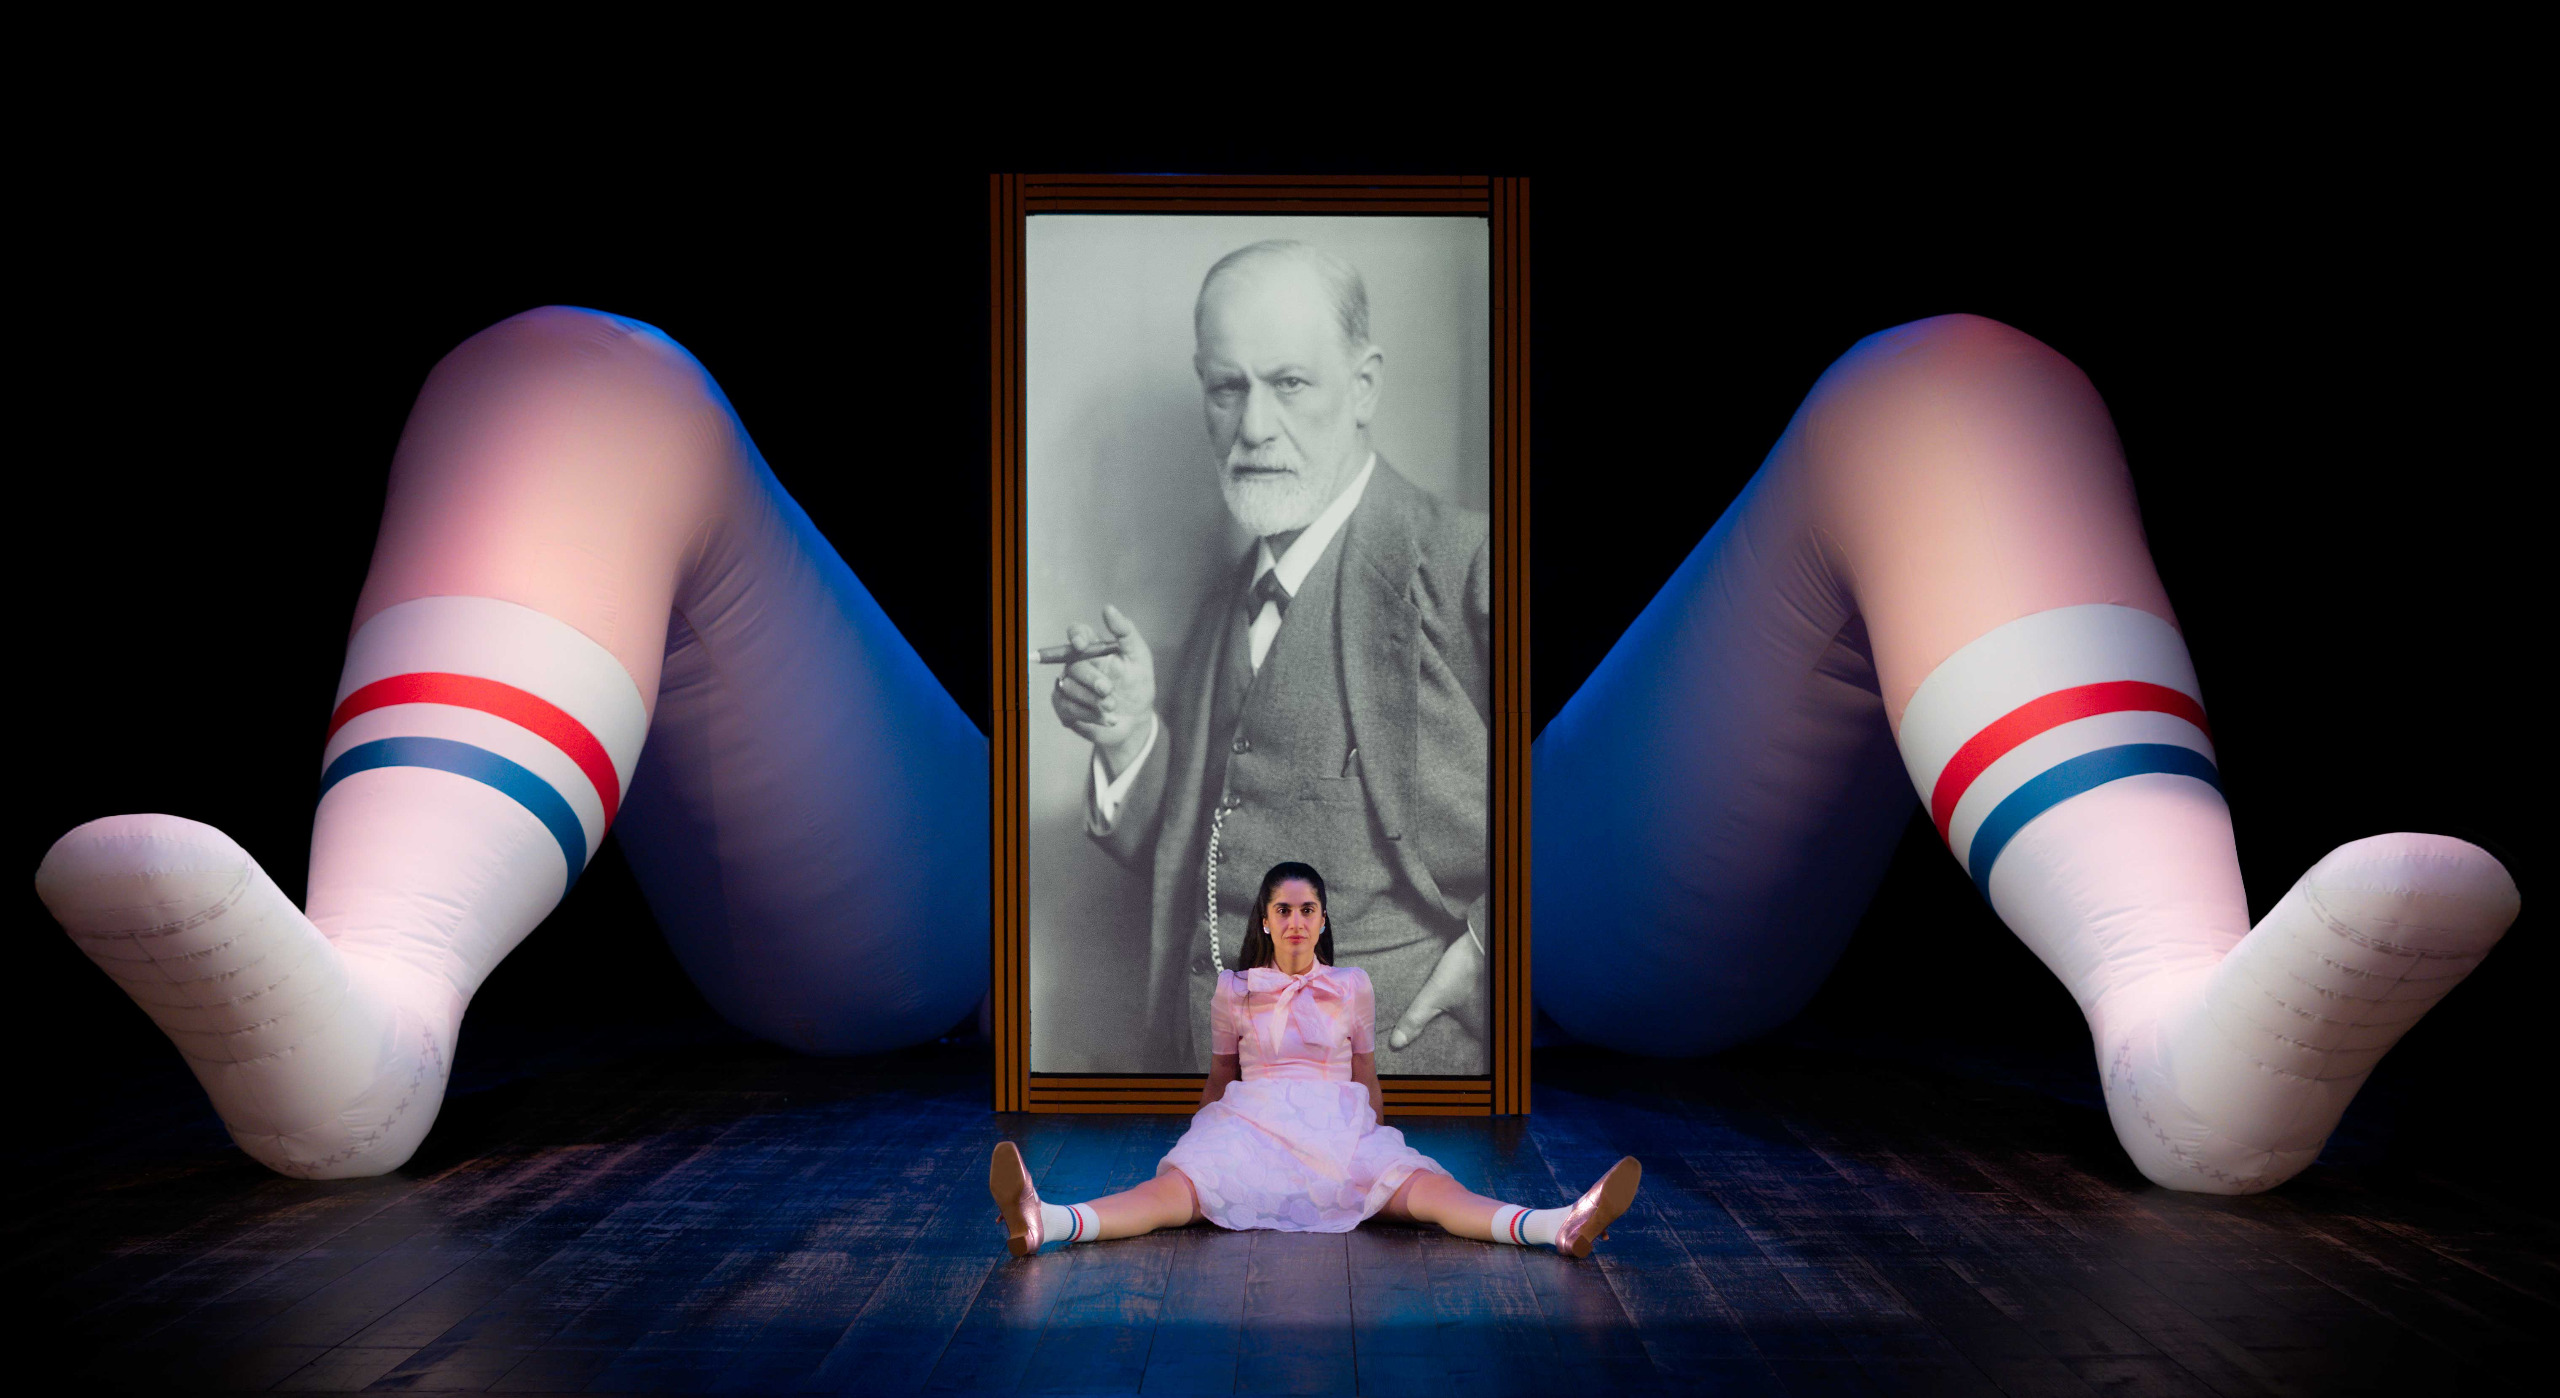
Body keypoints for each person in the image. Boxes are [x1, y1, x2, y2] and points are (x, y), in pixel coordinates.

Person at [30, 303, 2517, 1194]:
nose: (1236, 421)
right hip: (970, 844)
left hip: (1530, 861)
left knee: (1949, 386)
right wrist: (1112, 762)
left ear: (1360, 379)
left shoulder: (1420, 536)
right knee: (566, 373)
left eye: (1279, 388)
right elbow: (1120, 832)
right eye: (1211, 387)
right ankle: (379, 995)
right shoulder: (1170, 546)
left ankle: (2169, 1014)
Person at [1051, 239, 1492, 1075]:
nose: (1253, 428)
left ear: (1363, 386)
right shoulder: (1224, 602)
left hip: (1401, 1098)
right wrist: (1129, 736)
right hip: (1215, 1093)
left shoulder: (1471, 563)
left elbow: (1596, 804)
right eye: (1228, 388)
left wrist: (1491, 948)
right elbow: (1205, 858)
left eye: (1289, 383)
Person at [989, 861, 1639, 1253]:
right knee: (1167, 1196)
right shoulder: (1234, 988)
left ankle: (1557, 1224)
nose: (1296, 921)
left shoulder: (1352, 985)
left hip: (1337, 1126)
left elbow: (1365, 1073)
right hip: (1251, 1122)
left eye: (1307, 910)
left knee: (1432, 1192)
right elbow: (1220, 1077)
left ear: (1323, 920)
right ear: (1265, 921)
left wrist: (1376, 1140)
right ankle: (1048, 1220)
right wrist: (1201, 1142)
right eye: (1284, 910)